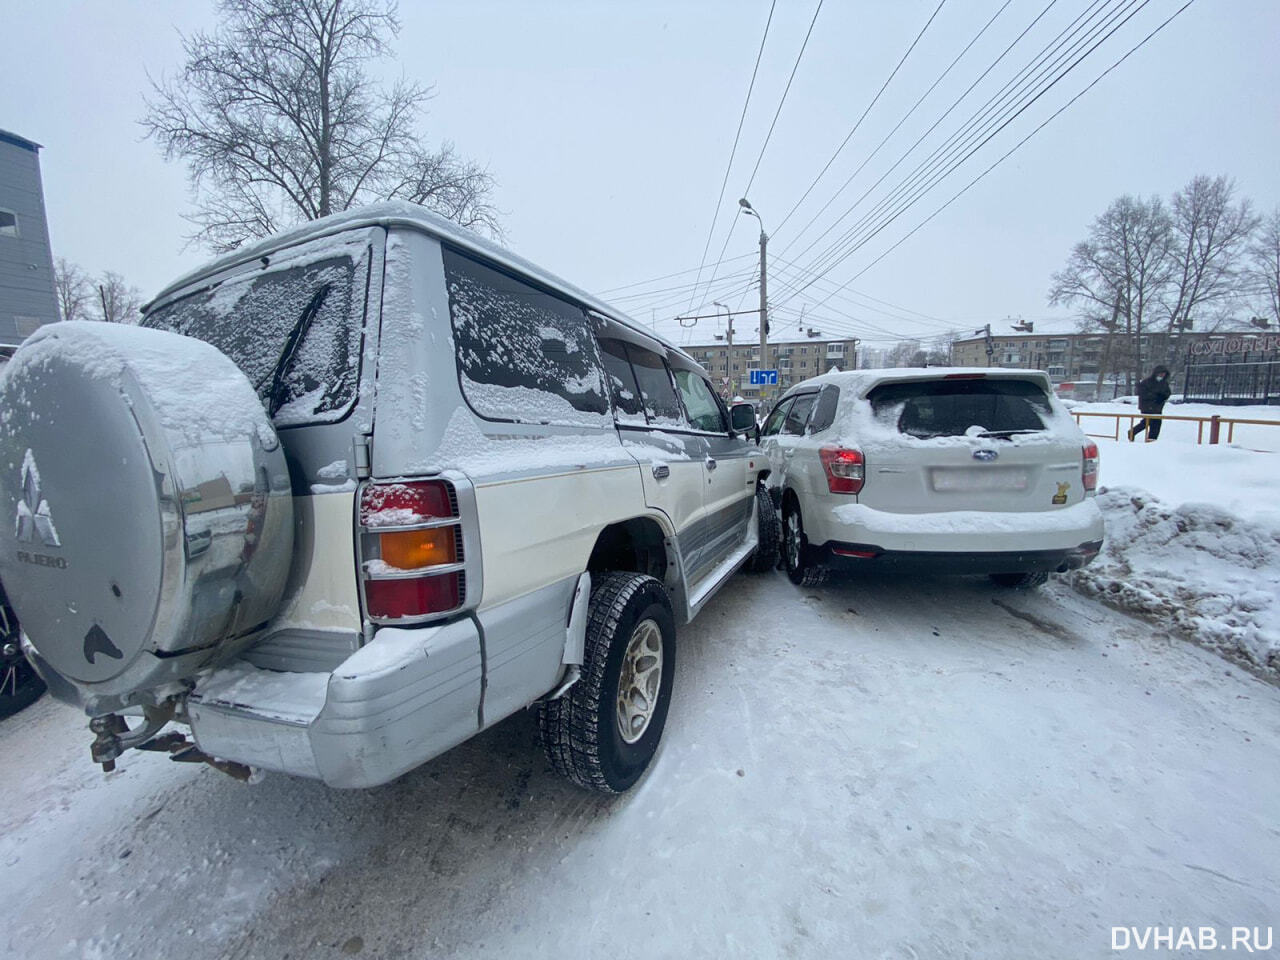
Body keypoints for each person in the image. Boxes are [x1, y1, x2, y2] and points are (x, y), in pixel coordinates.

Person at [1129, 366, 1172, 441]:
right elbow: (1142, 393)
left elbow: (1168, 392)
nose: (1162, 375)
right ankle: (1133, 432)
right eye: (1160, 373)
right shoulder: (1147, 382)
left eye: (1163, 374)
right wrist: (1155, 396)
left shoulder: (1164, 383)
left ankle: (1152, 439)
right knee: (1149, 421)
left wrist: (1163, 397)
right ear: (1156, 373)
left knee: (1156, 423)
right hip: (1147, 406)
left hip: (1158, 406)